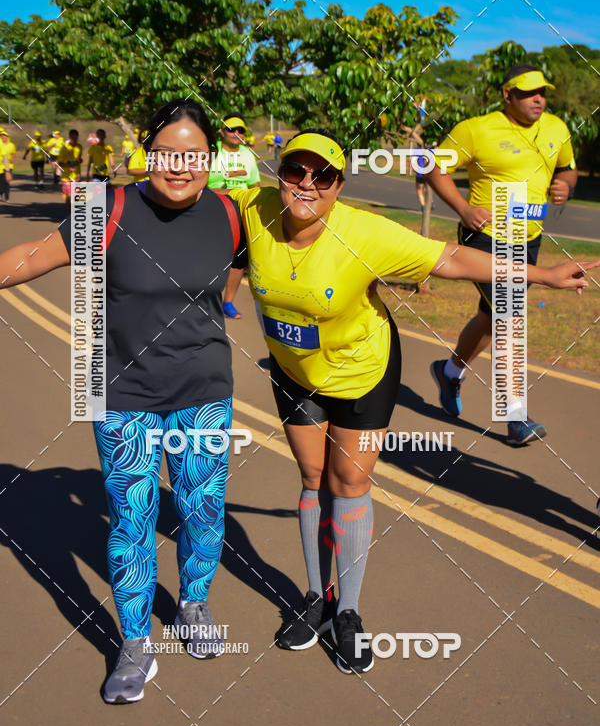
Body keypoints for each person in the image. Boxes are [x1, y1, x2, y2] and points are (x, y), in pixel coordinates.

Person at [228, 128, 594, 674]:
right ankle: (314, 597)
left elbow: (450, 259)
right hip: (294, 372)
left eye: (322, 176)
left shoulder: (364, 233)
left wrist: (540, 274)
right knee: (311, 479)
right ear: (278, 174)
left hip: (365, 372)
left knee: (348, 482)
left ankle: (347, 612)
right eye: (295, 171)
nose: (306, 184)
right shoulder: (252, 207)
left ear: (339, 185)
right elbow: (181, 198)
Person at [0, 99, 247, 703]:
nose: (180, 165)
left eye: (194, 153)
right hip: (122, 394)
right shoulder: (106, 208)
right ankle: (135, 644)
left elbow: (234, 276)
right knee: (132, 519)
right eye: (167, 152)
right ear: (147, 154)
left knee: (202, 506)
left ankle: (193, 605)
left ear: (210, 158)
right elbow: (25, 259)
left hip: (204, 393)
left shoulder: (229, 213)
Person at [426, 63, 578, 445]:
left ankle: (449, 371)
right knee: (509, 320)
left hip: (528, 239)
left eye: (542, 91)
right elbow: (432, 167)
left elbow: (568, 168)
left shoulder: (557, 128)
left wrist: (565, 186)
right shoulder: (476, 129)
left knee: (492, 317)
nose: (538, 99)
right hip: (486, 237)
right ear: (507, 96)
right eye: (527, 93)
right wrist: (463, 208)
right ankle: (515, 418)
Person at [207, 114, 260, 320]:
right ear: (222, 131)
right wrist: (228, 183)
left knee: (239, 259)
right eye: (231, 129)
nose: (236, 134)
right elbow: (203, 181)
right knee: (211, 257)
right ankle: (206, 300)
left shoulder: (248, 154)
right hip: (215, 209)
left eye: (240, 131)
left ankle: (228, 302)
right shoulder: (213, 151)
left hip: (241, 212)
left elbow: (255, 184)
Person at [57, 128, 83, 211]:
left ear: (77, 137)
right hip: (66, 176)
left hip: (76, 175)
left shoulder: (80, 147)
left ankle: (75, 212)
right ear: (69, 138)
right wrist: (69, 165)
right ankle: (69, 214)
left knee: (76, 196)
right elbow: (60, 163)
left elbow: (79, 159)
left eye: (75, 138)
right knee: (68, 195)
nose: (73, 139)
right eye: (72, 138)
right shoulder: (64, 148)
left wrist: (79, 161)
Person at [0, 129, 16, 199]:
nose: (3, 137)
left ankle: (7, 197)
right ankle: (1, 192)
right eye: (2, 135)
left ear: (7, 137)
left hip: (8, 165)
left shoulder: (11, 145)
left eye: (5, 136)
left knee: (7, 181)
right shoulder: (0, 144)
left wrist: (12, 159)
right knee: (1, 182)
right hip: (1, 166)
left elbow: (11, 154)